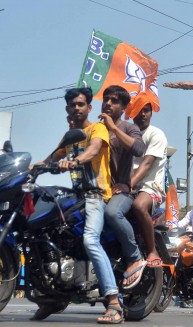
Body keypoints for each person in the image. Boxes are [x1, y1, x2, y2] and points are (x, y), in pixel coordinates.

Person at [31, 87, 124, 323]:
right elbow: (51, 157)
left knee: (90, 240)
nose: (76, 108)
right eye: (72, 105)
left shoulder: (97, 128)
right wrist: (31, 168)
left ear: (89, 108)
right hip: (76, 196)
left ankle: (114, 302)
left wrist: (74, 161)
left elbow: (93, 151)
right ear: (67, 109)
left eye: (81, 104)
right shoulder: (69, 136)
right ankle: (52, 297)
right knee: (44, 232)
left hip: (96, 195)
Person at [100, 85, 147, 290]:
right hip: (99, 191)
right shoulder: (96, 128)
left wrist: (114, 128)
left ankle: (134, 257)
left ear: (125, 107)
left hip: (123, 191)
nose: (108, 103)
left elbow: (138, 149)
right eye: (106, 99)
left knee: (112, 213)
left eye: (114, 100)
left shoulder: (128, 127)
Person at [129, 101, 168, 267]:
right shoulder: (126, 134)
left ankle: (152, 250)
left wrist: (129, 184)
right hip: (127, 187)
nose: (143, 114)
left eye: (146, 111)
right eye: (139, 110)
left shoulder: (156, 134)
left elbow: (146, 165)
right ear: (132, 113)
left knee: (138, 206)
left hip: (151, 187)